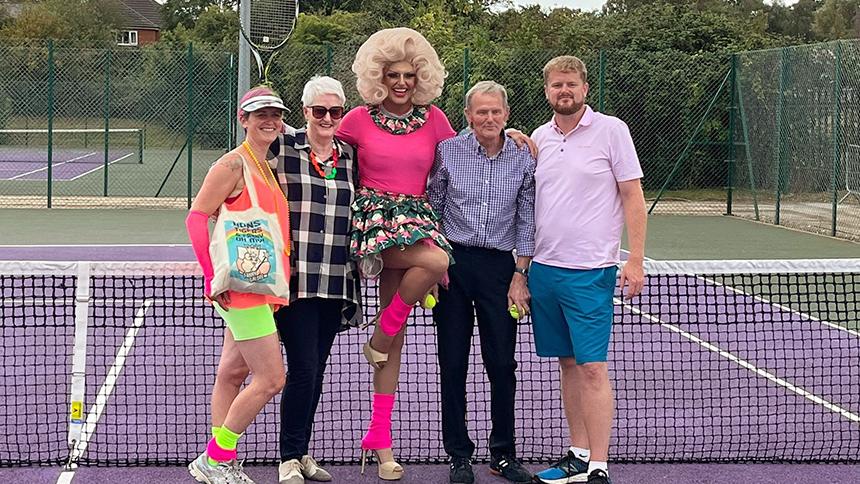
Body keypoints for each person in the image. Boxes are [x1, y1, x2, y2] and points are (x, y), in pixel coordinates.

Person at [335, 27, 457, 480]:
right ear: (378, 77)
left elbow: (465, 155)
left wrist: (515, 135)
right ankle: (382, 333)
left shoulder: (437, 120)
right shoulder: (357, 119)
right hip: (373, 222)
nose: (401, 82)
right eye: (392, 74)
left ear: (420, 76)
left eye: (408, 74)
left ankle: (379, 440)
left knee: (394, 346)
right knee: (437, 262)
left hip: (419, 220)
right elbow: (323, 148)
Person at [530, 56, 646, 484]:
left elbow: (633, 196)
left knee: (593, 367)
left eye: (572, 84)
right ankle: (577, 456)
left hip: (592, 272)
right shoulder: (539, 138)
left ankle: (599, 464)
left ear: (585, 88)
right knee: (567, 364)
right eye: (558, 85)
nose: (565, 91)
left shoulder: (612, 131)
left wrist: (634, 258)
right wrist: (523, 271)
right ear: (547, 91)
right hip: (545, 271)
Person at [427, 80, 535, 484]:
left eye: (496, 112)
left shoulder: (523, 157)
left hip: (500, 271)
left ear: (506, 115)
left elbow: (527, 219)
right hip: (452, 265)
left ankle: (503, 454)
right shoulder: (448, 151)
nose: (489, 119)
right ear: (469, 116)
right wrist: (435, 266)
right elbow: (433, 207)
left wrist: (520, 275)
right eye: (481, 112)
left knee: (502, 364)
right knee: (452, 363)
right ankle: (458, 455)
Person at [185, 86, 291, 484]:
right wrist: (212, 275)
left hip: (260, 288)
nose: (269, 120)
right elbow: (197, 218)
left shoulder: (265, 165)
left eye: (275, 114)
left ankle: (220, 464)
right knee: (271, 379)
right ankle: (215, 457)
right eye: (259, 114)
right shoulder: (231, 165)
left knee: (231, 373)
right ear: (242, 120)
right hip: (241, 290)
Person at [273, 76, 361, 484]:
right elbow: (243, 159)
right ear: (305, 112)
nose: (327, 118)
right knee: (305, 367)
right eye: (319, 111)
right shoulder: (282, 148)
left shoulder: (351, 157)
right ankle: (288, 457)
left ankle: (303, 452)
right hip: (294, 280)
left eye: (335, 111)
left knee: (317, 367)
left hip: (337, 279)